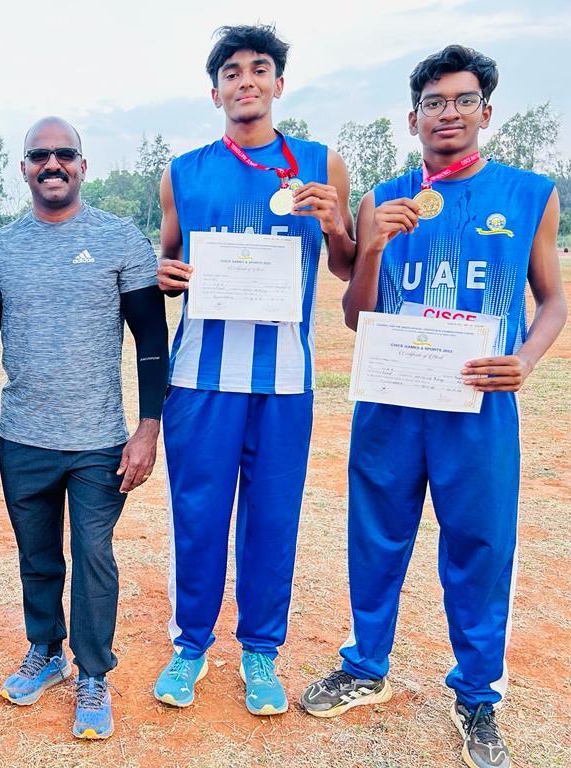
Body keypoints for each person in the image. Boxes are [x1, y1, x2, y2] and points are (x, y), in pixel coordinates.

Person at [301, 45, 566, 768]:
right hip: (392, 401)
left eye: (463, 100)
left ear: (486, 111)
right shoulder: (381, 197)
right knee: (376, 536)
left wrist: (526, 359)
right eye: (434, 102)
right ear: (412, 117)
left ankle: (477, 694)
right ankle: (366, 666)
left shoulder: (529, 193)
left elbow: (552, 300)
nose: (448, 113)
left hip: (477, 404)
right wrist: (372, 247)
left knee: (480, 546)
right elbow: (357, 314)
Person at [153, 24, 355, 715]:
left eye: (259, 68)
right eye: (232, 71)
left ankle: (261, 652)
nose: (247, 80)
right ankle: (190, 645)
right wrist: (166, 275)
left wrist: (336, 225)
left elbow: (347, 267)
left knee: (272, 519)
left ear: (278, 83)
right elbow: (168, 261)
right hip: (201, 380)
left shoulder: (321, 165)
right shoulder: (183, 172)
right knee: (198, 516)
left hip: (284, 380)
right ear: (215, 92)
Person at [0, 117, 168, 739]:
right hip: (23, 436)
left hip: (99, 439)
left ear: (82, 165)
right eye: (39, 155)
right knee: (38, 555)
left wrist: (148, 427)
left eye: (64, 154)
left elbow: (151, 339)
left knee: (93, 555)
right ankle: (45, 651)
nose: (53, 164)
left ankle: (93, 671)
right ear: (23, 168)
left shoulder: (120, 239)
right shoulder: (0, 249)